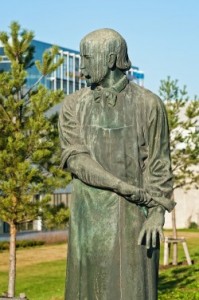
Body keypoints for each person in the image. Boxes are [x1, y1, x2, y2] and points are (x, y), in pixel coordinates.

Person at [58, 28, 175, 300]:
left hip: (136, 217)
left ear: (110, 58)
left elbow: (159, 164)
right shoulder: (73, 105)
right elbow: (76, 160)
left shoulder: (149, 104)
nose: (82, 66)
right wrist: (122, 186)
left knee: (132, 290)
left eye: (86, 58)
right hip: (88, 219)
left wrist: (158, 212)